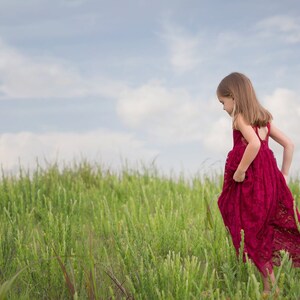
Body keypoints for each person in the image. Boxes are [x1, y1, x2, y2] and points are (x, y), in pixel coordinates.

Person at [217, 72, 300, 295]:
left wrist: (240, 172)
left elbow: (253, 144)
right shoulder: (264, 120)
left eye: (223, 102)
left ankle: (269, 288)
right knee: (263, 231)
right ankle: (269, 286)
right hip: (270, 184)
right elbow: (290, 145)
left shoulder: (240, 118)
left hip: (252, 186)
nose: (223, 108)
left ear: (233, 97)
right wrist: (283, 174)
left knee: (251, 232)